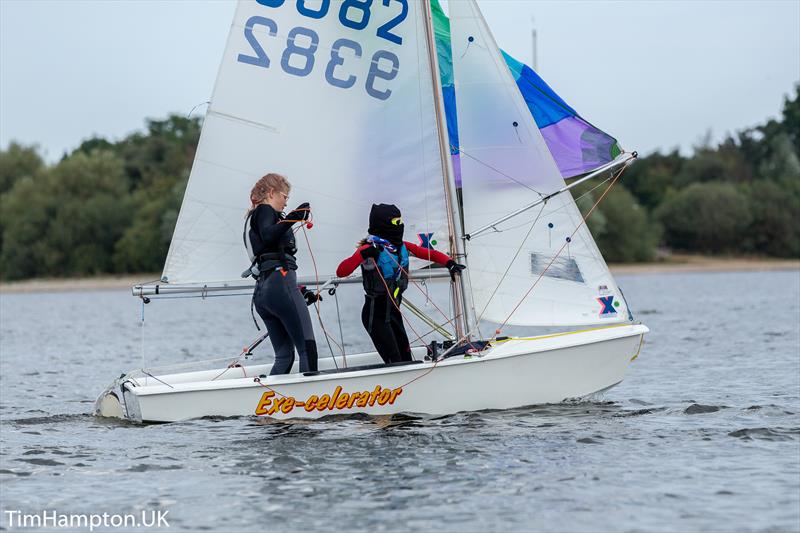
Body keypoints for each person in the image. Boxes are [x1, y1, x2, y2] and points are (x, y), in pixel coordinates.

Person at [336, 203, 466, 365]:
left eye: (401, 221)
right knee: (395, 361)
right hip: (375, 316)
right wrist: (363, 253)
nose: (401, 226)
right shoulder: (370, 248)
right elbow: (341, 271)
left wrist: (450, 264)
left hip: (394, 313)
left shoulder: (402, 247)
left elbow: (429, 253)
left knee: (406, 358)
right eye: (396, 222)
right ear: (383, 225)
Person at [244, 173, 320, 375]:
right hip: (279, 286)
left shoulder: (256, 216)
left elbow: (268, 254)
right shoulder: (265, 210)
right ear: (271, 193)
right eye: (285, 197)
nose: (286, 202)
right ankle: (311, 401)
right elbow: (269, 235)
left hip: (263, 293)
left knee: (285, 356)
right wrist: (294, 217)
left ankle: (272, 404)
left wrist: (300, 291)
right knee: (307, 349)